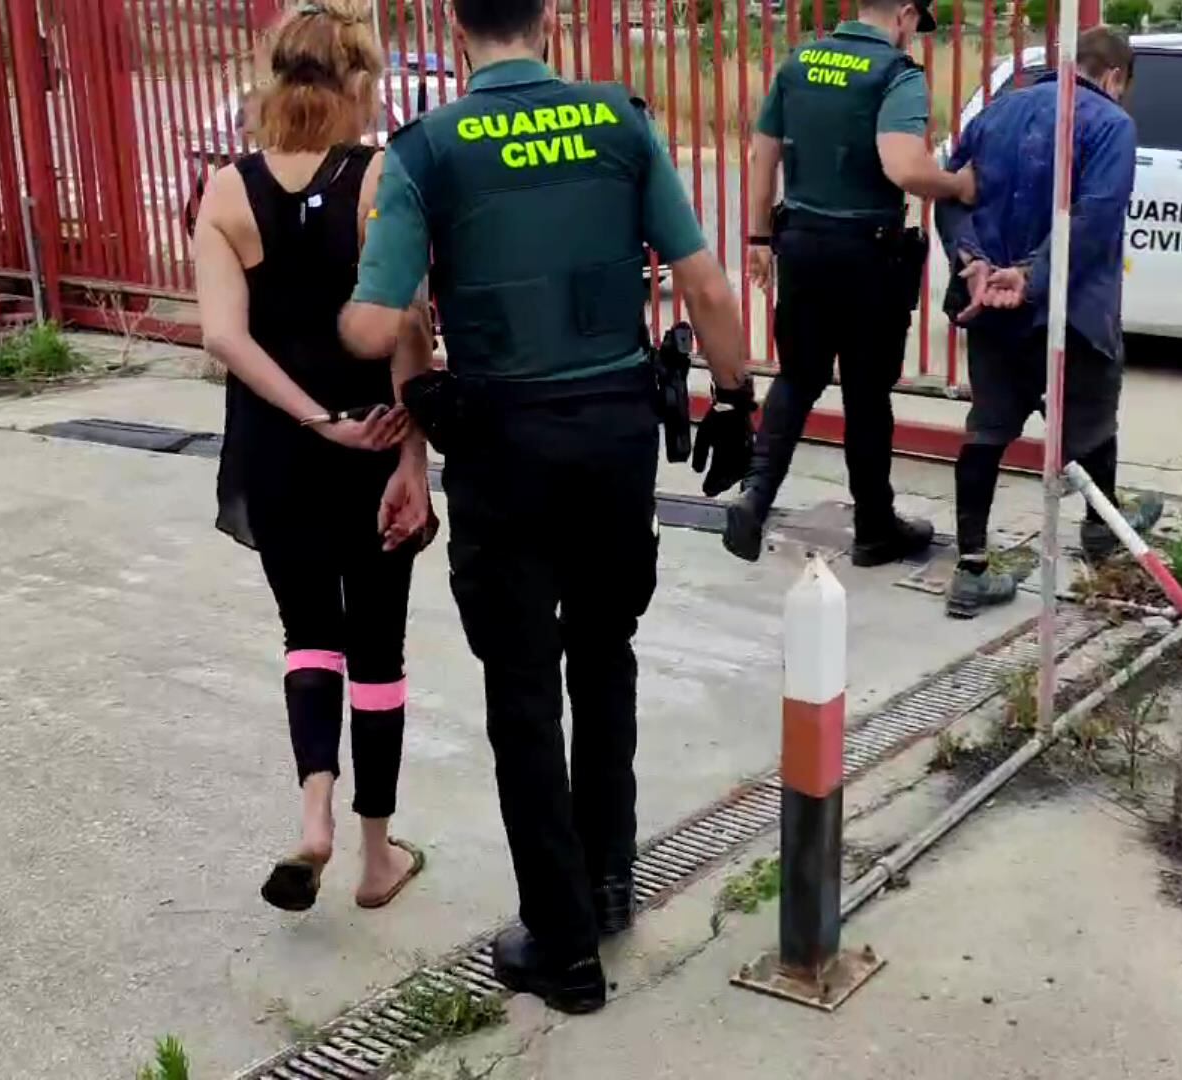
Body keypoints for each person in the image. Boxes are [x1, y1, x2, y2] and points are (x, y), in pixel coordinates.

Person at [337, 0, 755, 1016]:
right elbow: (702, 277)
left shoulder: (425, 151)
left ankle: (564, 946)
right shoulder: (620, 121)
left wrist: (372, 282)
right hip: (614, 441)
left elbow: (372, 326)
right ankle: (610, 881)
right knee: (605, 651)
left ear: (453, 20)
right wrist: (738, 398)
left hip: (505, 454)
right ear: (546, 18)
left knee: (523, 692)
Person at [194, 0, 435, 913]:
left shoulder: (225, 192)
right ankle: (377, 859)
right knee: (379, 648)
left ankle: (315, 817)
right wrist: (407, 454)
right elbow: (410, 323)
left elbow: (224, 335)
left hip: (276, 448)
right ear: (359, 84)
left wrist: (307, 418)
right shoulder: (385, 180)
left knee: (309, 636)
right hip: (375, 438)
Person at [725, 0, 976, 566]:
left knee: (797, 376)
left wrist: (760, 241)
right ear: (905, 15)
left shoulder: (799, 63)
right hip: (869, 255)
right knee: (866, 394)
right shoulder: (896, 74)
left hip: (803, 247)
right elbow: (905, 167)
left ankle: (755, 498)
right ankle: (873, 527)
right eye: (916, 26)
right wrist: (957, 186)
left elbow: (763, 154)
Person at [936, 26, 1163, 620]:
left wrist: (974, 263)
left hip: (990, 305)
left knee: (987, 427)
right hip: (1072, 308)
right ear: (1115, 76)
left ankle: (972, 568)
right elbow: (1096, 220)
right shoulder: (1112, 124)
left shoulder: (995, 113)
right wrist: (1033, 279)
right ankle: (1100, 530)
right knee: (1089, 422)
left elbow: (951, 195)